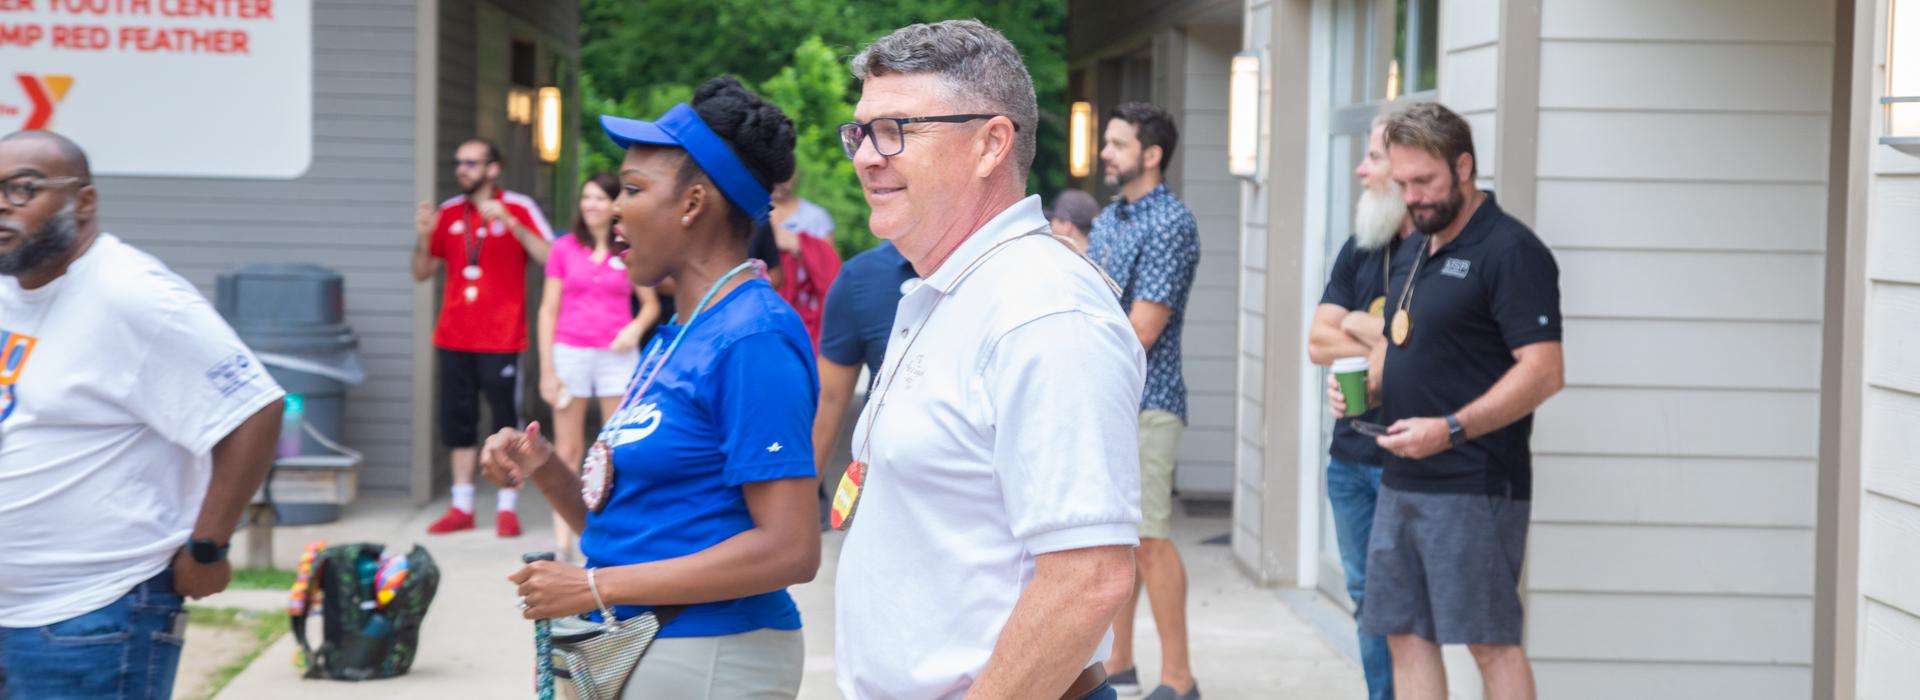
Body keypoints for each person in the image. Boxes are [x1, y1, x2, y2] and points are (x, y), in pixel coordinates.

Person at [834, 20, 1146, 700]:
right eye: (860, 132)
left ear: (990, 143)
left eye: (896, 131)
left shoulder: (1044, 313)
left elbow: (1090, 579)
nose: (865, 156)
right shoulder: (955, 289)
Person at [482, 76, 820, 697]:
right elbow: (635, 532)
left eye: (634, 190)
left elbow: (791, 549)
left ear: (693, 203)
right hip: (645, 648)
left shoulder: (752, 338)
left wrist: (592, 589)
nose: (614, 208)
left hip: (714, 654)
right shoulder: (680, 334)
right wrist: (544, 466)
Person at [0, 130, 285, 699]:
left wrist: (209, 546)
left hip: (91, 617)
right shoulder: (10, 288)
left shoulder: (135, 297)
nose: (2, 206)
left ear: (84, 202)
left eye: (22, 189)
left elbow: (254, 408)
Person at [1327, 102, 1564, 700]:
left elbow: (1544, 372)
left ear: (1464, 167)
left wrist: (1453, 428)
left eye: (1424, 182)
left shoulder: (1511, 252)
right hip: (1402, 477)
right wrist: (1370, 385)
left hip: (1473, 481)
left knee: (1489, 642)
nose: (1412, 198)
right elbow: (1402, 345)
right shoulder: (1416, 248)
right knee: (1403, 634)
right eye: (1402, 183)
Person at [1086, 101, 1202, 700]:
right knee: (1117, 536)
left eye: (1118, 143)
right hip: (1109, 401)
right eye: (1106, 142)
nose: (1106, 153)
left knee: (1151, 536)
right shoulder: (1110, 220)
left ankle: (1180, 679)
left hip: (1150, 401)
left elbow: (1143, 328)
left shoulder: (1171, 224)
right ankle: (1122, 661)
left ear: (1151, 155)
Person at [1306, 114, 1417, 700]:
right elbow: (1316, 341)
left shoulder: (1430, 253)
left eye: (1373, 157)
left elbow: (1427, 346)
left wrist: (1355, 324)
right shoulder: (1361, 248)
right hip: (1349, 459)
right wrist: (1374, 330)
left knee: (1402, 600)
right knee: (1365, 594)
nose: (1360, 169)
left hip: (1407, 457)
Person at [413, 137, 556, 538]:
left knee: (506, 423)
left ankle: (507, 507)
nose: (462, 169)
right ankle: (462, 506)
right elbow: (422, 272)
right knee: (459, 424)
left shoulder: (519, 207)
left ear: (493, 168)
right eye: (459, 162)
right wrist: (425, 236)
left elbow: (551, 258)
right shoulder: (448, 212)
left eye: (471, 163)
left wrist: (511, 224)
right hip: (454, 335)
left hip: (503, 337)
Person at [538, 171, 664, 561]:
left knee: (615, 447)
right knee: (568, 447)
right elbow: (548, 310)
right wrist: (546, 370)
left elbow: (652, 306)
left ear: (614, 205)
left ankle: (613, 533)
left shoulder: (626, 245)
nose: (590, 204)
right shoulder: (563, 248)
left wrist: (634, 329)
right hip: (570, 353)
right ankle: (563, 543)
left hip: (615, 356)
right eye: (585, 197)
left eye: (599, 198)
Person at [809, 238, 919, 512]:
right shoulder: (863, 275)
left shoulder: (1012, 270)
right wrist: (799, 507)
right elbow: (830, 398)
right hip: (885, 503)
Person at [761, 176, 842, 349]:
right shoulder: (755, 214)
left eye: (784, 175)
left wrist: (797, 244)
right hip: (766, 306)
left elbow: (829, 269)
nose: (780, 182)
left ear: (794, 175)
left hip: (807, 312)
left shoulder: (816, 217)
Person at [1049, 188, 1099, 253]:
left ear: (1066, 226)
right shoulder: (1101, 259)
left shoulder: (1060, 261)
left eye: (1051, 221)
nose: (1050, 226)